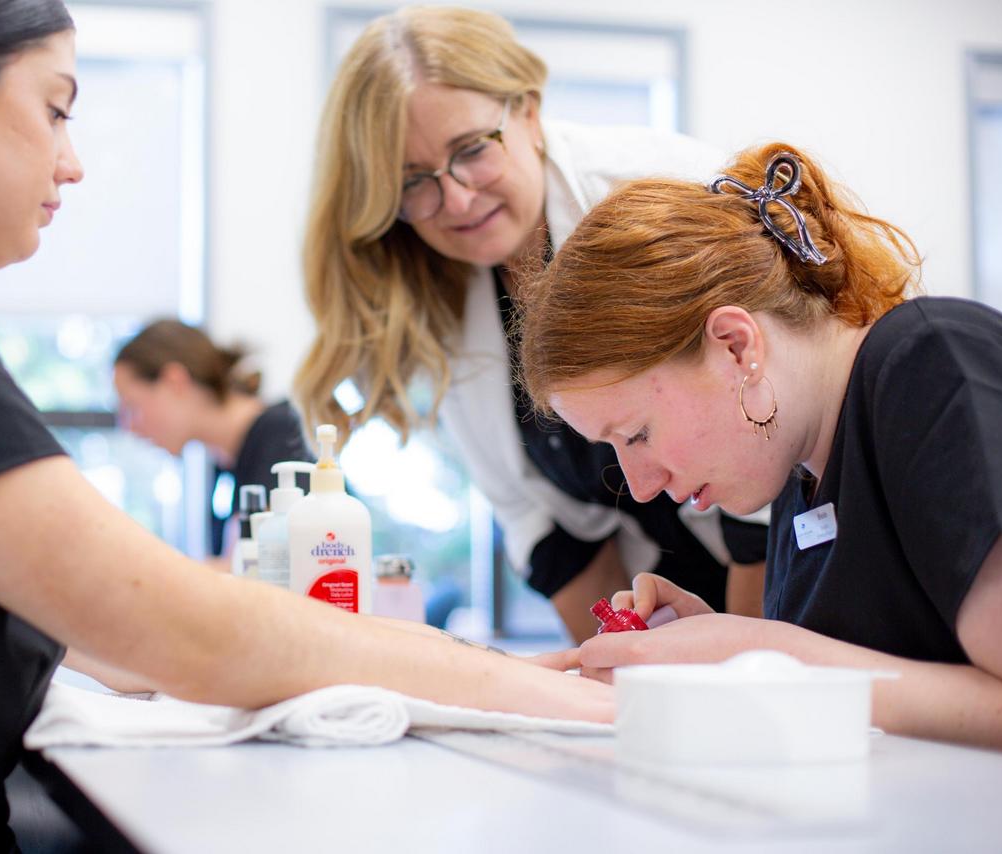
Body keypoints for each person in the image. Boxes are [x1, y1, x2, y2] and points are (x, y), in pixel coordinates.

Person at [0, 1, 611, 848]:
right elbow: (188, 634)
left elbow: (118, 629)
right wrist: (531, 692)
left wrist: (487, 677)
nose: (72, 161)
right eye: (57, 107)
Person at [518, 141, 1002, 752]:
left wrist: (761, 650)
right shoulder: (799, 477)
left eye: (637, 434)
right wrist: (724, 657)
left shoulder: (935, 363)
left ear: (737, 346)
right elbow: (888, 687)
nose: (641, 486)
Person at [294, 5, 768, 643]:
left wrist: (733, 673)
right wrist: (614, 680)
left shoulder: (660, 191)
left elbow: (763, 464)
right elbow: (548, 534)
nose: (456, 200)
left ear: (528, 110)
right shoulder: (439, 282)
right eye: (414, 184)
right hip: (677, 591)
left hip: (790, 569)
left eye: (471, 151)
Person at [113, 319, 311, 560]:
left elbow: (250, 568)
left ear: (174, 381)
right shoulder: (223, 463)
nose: (130, 427)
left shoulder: (281, 435)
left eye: (132, 407)